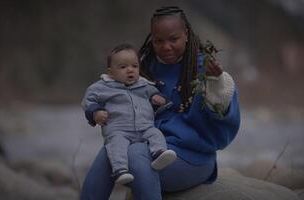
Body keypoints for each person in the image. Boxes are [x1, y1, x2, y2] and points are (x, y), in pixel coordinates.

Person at [80, 6, 240, 200]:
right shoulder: (143, 66)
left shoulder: (204, 69)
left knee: (135, 152)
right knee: (110, 150)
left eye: (173, 39)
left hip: (191, 158)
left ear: (186, 34)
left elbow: (224, 126)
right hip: (145, 146)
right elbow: (109, 95)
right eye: (159, 41)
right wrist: (96, 111)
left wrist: (216, 86)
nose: (166, 47)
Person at [81, 43, 177, 185]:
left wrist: (157, 98)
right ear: (111, 72)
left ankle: (159, 154)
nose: (130, 70)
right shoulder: (102, 87)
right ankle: (120, 170)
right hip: (118, 129)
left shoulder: (144, 85)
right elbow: (88, 100)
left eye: (134, 66)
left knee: (156, 134)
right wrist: (95, 112)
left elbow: (153, 93)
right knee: (116, 145)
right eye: (123, 67)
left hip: (144, 127)